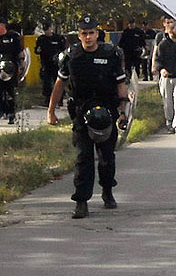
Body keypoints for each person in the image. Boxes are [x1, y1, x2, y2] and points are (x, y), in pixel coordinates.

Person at [46, 15, 128, 219]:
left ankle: (107, 191)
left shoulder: (110, 54)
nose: (88, 37)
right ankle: (81, 201)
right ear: (79, 35)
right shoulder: (71, 56)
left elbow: (121, 84)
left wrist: (123, 111)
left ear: (97, 34)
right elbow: (60, 84)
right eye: (84, 33)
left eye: (92, 33)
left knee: (107, 158)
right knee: (84, 158)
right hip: (82, 111)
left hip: (107, 110)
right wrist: (51, 111)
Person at [0, 16, 26, 124]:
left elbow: (20, 51)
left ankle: (11, 113)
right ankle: (2, 110)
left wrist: (21, 64)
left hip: (11, 68)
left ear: (4, 25)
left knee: (10, 92)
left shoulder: (13, 37)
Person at [35, 21, 67, 107]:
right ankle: (47, 99)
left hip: (57, 64)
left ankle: (60, 99)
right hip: (46, 63)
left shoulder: (58, 38)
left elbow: (64, 50)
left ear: (51, 29)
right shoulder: (41, 39)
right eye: (45, 30)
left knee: (58, 82)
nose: (47, 31)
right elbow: (36, 50)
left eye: (48, 29)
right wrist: (38, 50)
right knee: (46, 83)